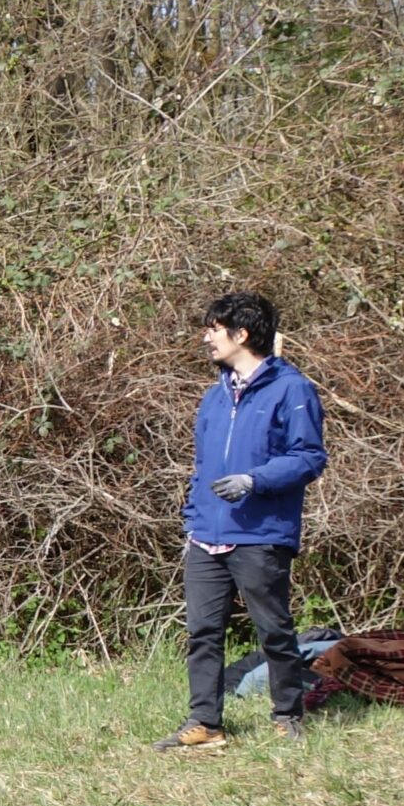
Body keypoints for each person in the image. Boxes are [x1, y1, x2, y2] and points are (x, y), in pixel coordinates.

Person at [156, 291, 328, 751]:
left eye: (214, 328)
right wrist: (192, 521)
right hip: (206, 535)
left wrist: (255, 480)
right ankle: (206, 724)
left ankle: (288, 715)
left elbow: (309, 457)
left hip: (260, 534)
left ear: (241, 333)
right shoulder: (214, 397)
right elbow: (202, 466)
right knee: (202, 633)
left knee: (273, 630)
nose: (206, 337)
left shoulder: (293, 390)